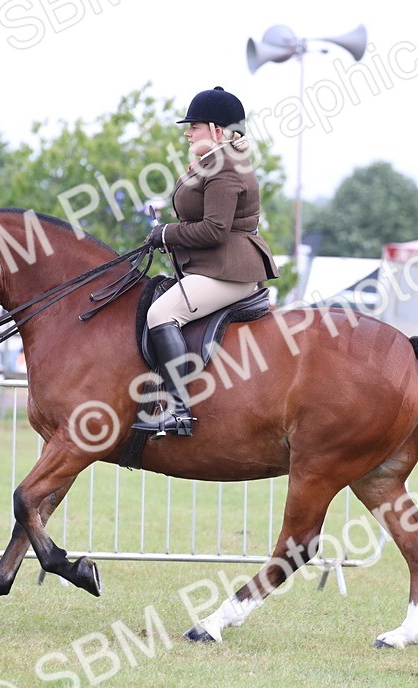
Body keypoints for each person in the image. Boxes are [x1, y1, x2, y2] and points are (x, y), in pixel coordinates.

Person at [134, 86, 278, 437]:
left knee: (161, 314)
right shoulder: (213, 163)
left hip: (231, 271)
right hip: (214, 267)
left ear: (216, 130)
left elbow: (214, 231)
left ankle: (178, 410)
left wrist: (166, 234)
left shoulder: (226, 168)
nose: (187, 132)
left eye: (194, 126)